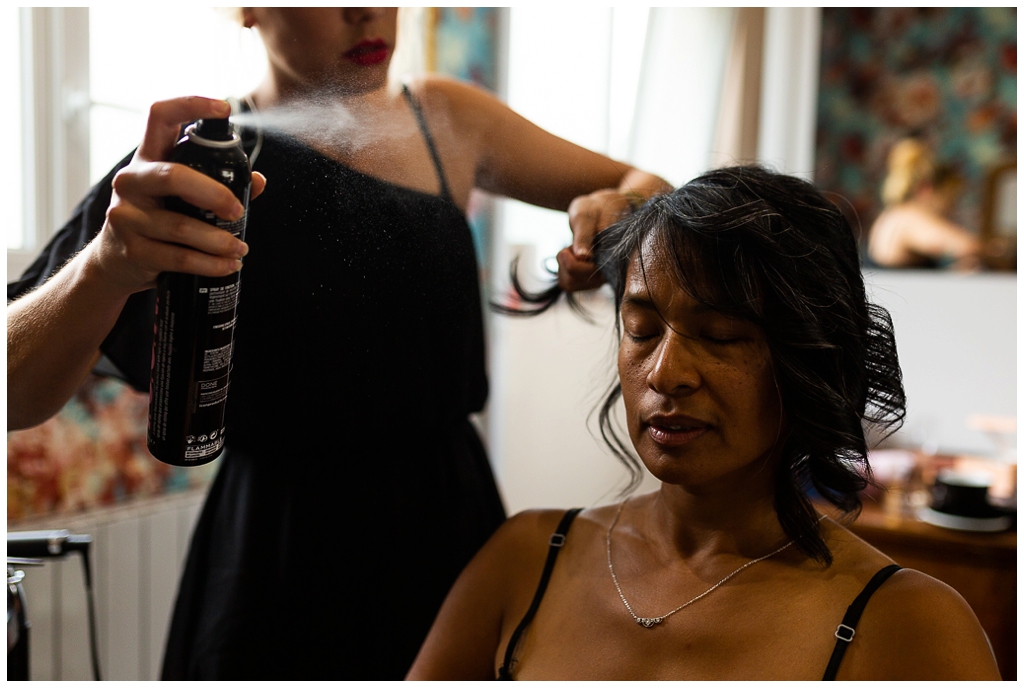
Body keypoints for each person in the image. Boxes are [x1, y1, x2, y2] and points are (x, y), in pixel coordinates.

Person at [6, 8, 670, 679]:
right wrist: (101, 268)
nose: (366, 11)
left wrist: (615, 213)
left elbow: (650, 189)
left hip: (444, 534)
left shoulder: (449, 116)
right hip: (275, 558)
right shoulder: (200, 163)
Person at [406, 166, 1002, 680]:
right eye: (641, 329)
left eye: (719, 336)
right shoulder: (526, 561)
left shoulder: (909, 626)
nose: (665, 373)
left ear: (810, 361)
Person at [867, 138, 983, 269]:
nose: (952, 209)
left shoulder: (893, 214)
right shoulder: (908, 217)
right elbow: (967, 246)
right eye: (950, 200)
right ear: (927, 189)